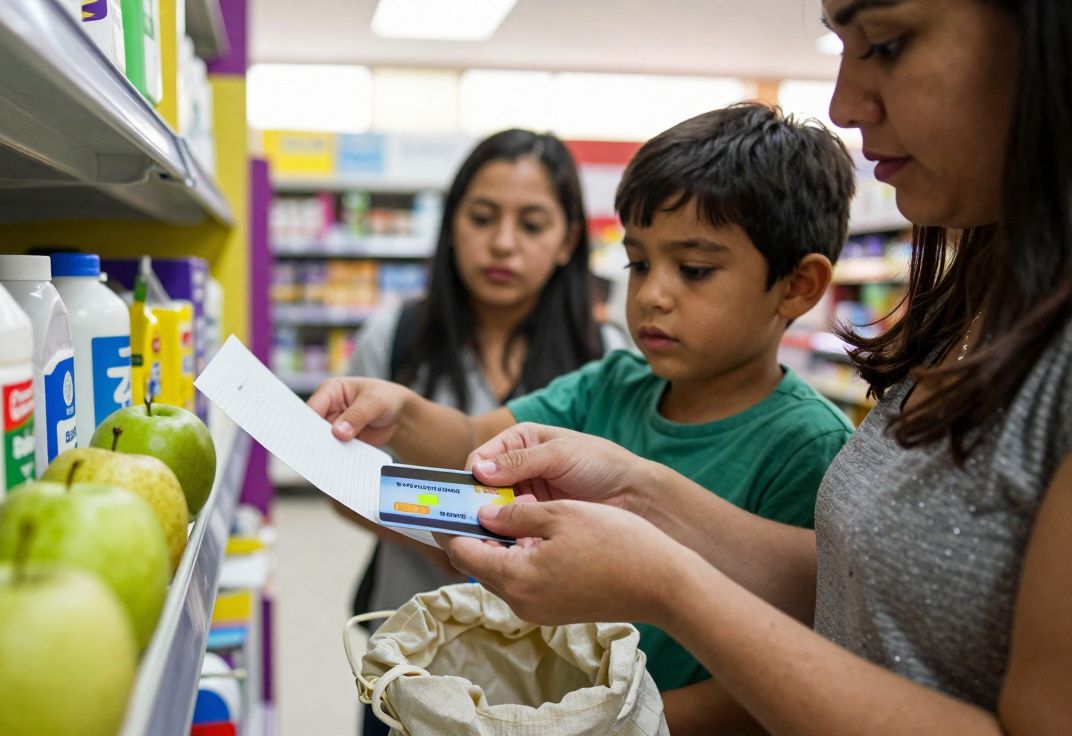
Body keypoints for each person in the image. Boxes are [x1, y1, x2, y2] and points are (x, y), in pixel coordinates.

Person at [440, 1, 1072, 733]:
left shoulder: (809, 435)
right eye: (639, 263)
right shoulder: (976, 307)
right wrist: (639, 493)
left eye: (887, 43)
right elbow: (861, 593)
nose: (843, 103)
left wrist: (667, 586)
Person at [312, 103, 857, 733]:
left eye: (695, 270)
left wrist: (609, 724)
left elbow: (789, 673)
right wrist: (403, 414)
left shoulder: (808, 447)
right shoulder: (612, 382)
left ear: (797, 286)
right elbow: (474, 442)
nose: (652, 294)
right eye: (639, 263)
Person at [339, 129, 612, 736]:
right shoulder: (397, 337)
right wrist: (437, 547)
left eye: (532, 224)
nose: (503, 243)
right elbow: (343, 481)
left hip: (549, 669)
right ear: (452, 224)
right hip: (410, 646)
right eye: (483, 217)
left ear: (568, 240)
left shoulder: (606, 362)